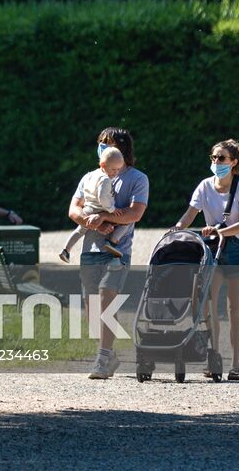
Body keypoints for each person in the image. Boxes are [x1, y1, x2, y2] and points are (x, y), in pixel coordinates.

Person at [169, 138, 239, 381]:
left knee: (234, 308)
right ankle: (214, 356)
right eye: (214, 158)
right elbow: (189, 214)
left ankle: (236, 363)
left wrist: (219, 231)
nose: (216, 162)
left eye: (221, 158)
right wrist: (177, 228)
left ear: (234, 162)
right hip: (212, 249)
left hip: (238, 248)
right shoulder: (205, 186)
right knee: (207, 303)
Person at [67, 127, 149, 379]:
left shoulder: (137, 178)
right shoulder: (89, 177)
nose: (102, 147)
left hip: (116, 250)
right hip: (89, 248)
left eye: (108, 143)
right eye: (101, 143)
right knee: (91, 309)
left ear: (122, 149)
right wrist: (89, 220)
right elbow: (73, 209)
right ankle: (109, 354)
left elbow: (135, 213)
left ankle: (102, 358)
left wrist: (104, 216)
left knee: (106, 298)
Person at [58, 147, 127, 263]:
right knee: (125, 222)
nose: (115, 173)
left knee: (80, 230)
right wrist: (112, 209)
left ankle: (66, 250)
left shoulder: (90, 175)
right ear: (103, 165)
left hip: (88, 210)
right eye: (113, 169)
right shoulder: (105, 179)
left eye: (118, 170)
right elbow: (102, 198)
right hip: (99, 210)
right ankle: (111, 243)